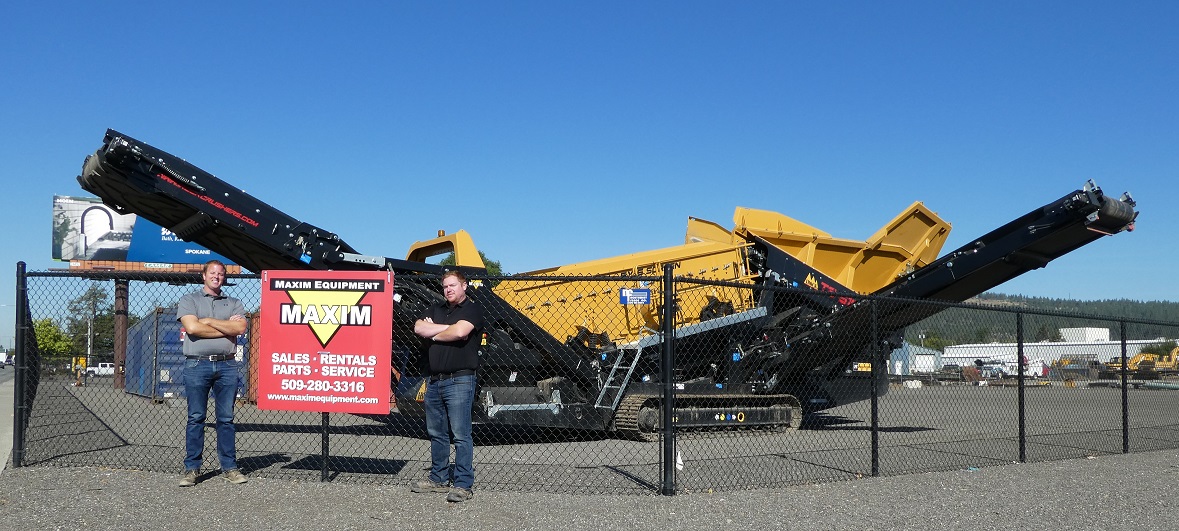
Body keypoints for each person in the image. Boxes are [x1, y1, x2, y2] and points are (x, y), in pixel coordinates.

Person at [412, 270, 483, 502]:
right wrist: (446, 330)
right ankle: (438, 478)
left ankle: (463, 484)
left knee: (461, 434)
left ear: (464, 286)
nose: (448, 289)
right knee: (436, 433)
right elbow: (418, 328)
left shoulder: (472, 309)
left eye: (453, 285)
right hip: (435, 380)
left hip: (460, 379)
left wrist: (435, 331)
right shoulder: (435, 309)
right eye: (445, 286)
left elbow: (461, 332)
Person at [176, 260, 249, 487]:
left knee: (226, 419)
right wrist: (224, 327)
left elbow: (240, 328)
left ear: (224, 277)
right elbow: (192, 328)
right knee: (196, 418)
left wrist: (207, 321)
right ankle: (192, 469)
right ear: (204, 276)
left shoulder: (234, 302)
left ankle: (230, 467)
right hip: (197, 366)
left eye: (221, 273)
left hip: (227, 366)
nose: (217, 276)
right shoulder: (190, 300)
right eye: (213, 273)